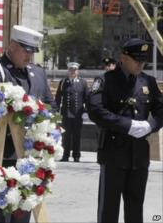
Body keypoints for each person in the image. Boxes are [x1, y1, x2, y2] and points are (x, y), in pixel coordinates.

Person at [0, 25, 55, 223]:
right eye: (25, 50)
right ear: (12, 46)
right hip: (4, 153)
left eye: (33, 51)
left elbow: (50, 105)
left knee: (22, 214)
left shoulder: (37, 73)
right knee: (1, 215)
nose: (29, 56)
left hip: (31, 156)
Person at [87, 38, 163, 223]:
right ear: (123, 58)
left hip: (139, 156)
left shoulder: (148, 81)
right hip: (113, 155)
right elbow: (95, 110)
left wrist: (150, 125)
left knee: (136, 208)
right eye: (136, 60)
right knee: (109, 210)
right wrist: (126, 125)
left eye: (143, 60)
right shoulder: (106, 80)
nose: (140, 64)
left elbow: (161, 110)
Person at [55, 62, 88, 162]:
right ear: (68, 71)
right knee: (66, 135)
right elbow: (58, 98)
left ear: (77, 71)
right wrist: (56, 111)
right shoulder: (63, 82)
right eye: (70, 70)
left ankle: (76, 155)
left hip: (78, 114)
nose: (72, 71)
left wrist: (86, 112)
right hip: (66, 113)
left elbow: (87, 98)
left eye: (74, 70)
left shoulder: (83, 82)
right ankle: (65, 155)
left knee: (77, 135)